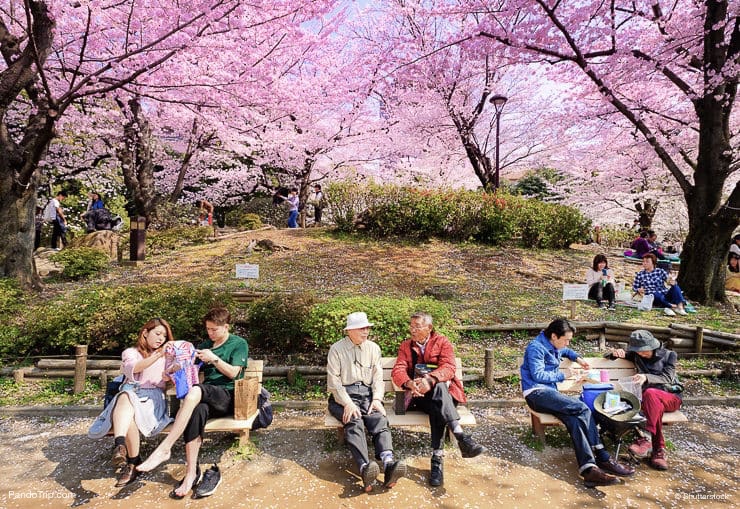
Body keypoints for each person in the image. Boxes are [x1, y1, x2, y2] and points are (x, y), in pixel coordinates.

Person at [137, 307, 248, 499]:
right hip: (207, 398)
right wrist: (174, 367)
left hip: (229, 396)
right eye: (208, 329)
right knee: (196, 411)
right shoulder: (205, 344)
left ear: (226, 327)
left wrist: (214, 359)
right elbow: (188, 365)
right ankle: (190, 475)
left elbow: (234, 373)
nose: (210, 333)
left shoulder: (238, 344)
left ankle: (165, 447)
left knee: (196, 389)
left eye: (214, 329)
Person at [520, 318, 634, 487]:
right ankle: (602, 456)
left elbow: (566, 352)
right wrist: (564, 375)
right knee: (582, 407)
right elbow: (538, 376)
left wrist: (578, 359)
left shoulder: (553, 344)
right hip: (537, 393)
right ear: (554, 336)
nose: (567, 343)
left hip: (550, 394)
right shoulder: (535, 348)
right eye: (565, 339)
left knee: (574, 420)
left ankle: (589, 470)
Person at [391, 312, 486, 487]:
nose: (413, 329)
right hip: (419, 397)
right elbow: (398, 369)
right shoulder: (406, 346)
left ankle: (437, 457)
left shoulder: (442, 342)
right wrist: (410, 384)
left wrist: (430, 380)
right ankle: (459, 438)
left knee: (439, 390)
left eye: (417, 326)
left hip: (445, 395)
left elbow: (449, 368)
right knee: (438, 402)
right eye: (411, 326)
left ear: (429, 328)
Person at [88, 318, 174, 487]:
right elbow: (133, 369)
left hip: (151, 400)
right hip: (128, 397)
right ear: (145, 333)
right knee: (126, 396)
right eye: (157, 334)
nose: (161, 339)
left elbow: (173, 379)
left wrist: (170, 375)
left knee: (126, 397)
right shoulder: (131, 353)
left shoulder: (168, 356)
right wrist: (158, 355)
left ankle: (123, 450)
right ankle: (128, 456)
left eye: (164, 336)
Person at [327, 312, 406, 492]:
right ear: (350, 331)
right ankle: (365, 467)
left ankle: (388, 464)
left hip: (368, 395)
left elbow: (378, 378)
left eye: (367, 328)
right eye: (362, 328)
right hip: (343, 396)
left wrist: (377, 398)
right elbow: (334, 382)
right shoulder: (337, 349)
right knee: (354, 420)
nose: (366, 331)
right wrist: (347, 403)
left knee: (379, 418)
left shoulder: (373, 348)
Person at [605, 330, 682, 471]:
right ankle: (658, 450)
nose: (641, 353)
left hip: (670, 397)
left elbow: (668, 378)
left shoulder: (670, 355)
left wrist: (646, 377)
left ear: (653, 345)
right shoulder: (636, 355)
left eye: (644, 350)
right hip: (650, 401)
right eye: (638, 351)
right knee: (652, 403)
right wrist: (614, 353)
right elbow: (607, 355)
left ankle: (646, 437)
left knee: (651, 393)